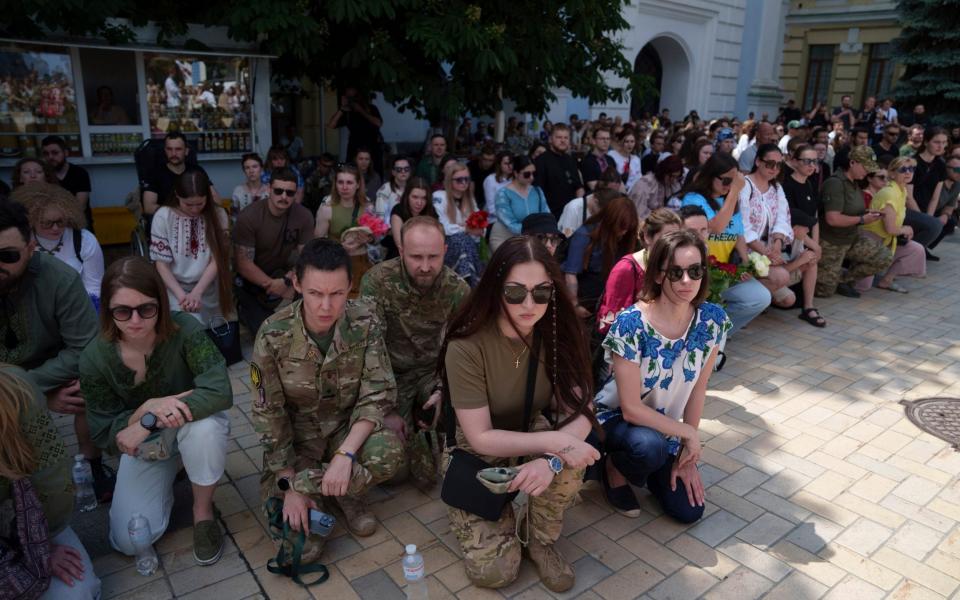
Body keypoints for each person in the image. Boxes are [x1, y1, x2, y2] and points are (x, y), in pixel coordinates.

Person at [439, 236, 600, 592]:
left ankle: (538, 537)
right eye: (516, 292)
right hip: (478, 447)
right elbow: (480, 435)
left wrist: (550, 460)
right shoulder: (466, 345)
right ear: (496, 288)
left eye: (541, 292)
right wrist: (556, 442)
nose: (530, 304)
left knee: (572, 460)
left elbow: (583, 409)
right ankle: (502, 523)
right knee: (495, 573)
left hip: (529, 427)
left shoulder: (556, 332)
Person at [252, 239, 403, 554]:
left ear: (350, 285)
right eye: (315, 293)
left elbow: (377, 392)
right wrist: (289, 484)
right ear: (296, 283)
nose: (325, 306)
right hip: (298, 445)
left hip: (345, 433)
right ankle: (321, 492)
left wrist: (345, 455)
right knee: (302, 549)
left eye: (337, 294)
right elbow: (269, 414)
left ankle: (343, 492)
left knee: (387, 452)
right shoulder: (272, 334)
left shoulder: (365, 320)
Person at [81, 256, 232, 563]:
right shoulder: (94, 359)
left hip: (188, 425)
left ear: (161, 304)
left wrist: (147, 420)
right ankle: (176, 467)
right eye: (123, 311)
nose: (135, 321)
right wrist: (146, 409)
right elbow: (103, 434)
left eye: (146, 309)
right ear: (108, 311)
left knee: (205, 429)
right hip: (146, 447)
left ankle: (202, 512)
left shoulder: (186, 328)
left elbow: (219, 391)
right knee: (130, 540)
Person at [598, 230, 729, 520]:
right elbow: (630, 408)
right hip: (617, 419)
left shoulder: (713, 320)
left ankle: (655, 466)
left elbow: (698, 388)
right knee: (647, 447)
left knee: (689, 511)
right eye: (676, 272)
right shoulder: (631, 323)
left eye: (695, 271)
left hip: (664, 429)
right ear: (658, 275)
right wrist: (688, 433)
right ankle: (612, 468)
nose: (686, 281)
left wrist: (687, 452)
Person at [0, 201, 111, 499]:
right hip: (5, 383)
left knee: (92, 380)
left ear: (32, 246)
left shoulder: (60, 278)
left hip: (53, 365)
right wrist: (34, 395)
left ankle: (92, 463)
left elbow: (85, 345)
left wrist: (35, 387)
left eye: (7, 256)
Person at [359, 217, 469, 485]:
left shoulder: (458, 290)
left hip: (432, 374)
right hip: (391, 376)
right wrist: (386, 408)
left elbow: (465, 349)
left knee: (468, 420)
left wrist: (443, 388)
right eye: (416, 257)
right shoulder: (377, 282)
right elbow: (369, 348)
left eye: (433, 257)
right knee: (392, 471)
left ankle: (437, 430)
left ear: (444, 250)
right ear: (401, 252)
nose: (425, 267)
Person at [0, 366, 102, 600]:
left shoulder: (16, 387)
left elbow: (52, 481)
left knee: (76, 593)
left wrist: (38, 549)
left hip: (26, 526)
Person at [680, 153, 771, 337]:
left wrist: (746, 264)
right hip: (698, 271)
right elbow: (716, 227)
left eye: (734, 181)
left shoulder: (731, 201)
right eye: (726, 180)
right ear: (711, 175)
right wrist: (735, 192)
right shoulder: (694, 198)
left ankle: (716, 334)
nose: (729, 186)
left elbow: (738, 234)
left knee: (760, 297)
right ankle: (699, 335)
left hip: (725, 271)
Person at [234, 168, 315, 335]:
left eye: (290, 193)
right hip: (253, 281)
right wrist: (273, 286)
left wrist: (287, 281)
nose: (284, 196)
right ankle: (245, 311)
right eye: (278, 191)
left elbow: (306, 256)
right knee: (265, 333)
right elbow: (243, 263)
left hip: (286, 275)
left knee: (306, 324)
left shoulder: (304, 216)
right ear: (269, 189)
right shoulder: (249, 216)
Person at [151, 170, 235, 331]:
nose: (195, 209)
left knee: (214, 329)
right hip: (173, 287)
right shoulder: (163, 216)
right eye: (189, 204)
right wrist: (182, 296)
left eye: (200, 203)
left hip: (208, 285)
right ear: (177, 196)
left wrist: (197, 292)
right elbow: (162, 264)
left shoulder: (218, 214)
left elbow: (217, 259)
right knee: (188, 326)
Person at [10, 183, 104, 310]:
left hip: (76, 307)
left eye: (60, 221)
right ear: (31, 220)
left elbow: (95, 287)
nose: (55, 228)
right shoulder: (22, 241)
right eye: (47, 223)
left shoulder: (85, 240)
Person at [815, 146, 893, 298]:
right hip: (832, 242)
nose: (868, 172)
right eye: (865, 167)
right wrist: (862, 219)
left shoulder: (855, 182)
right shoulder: (835, 183)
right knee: (823, 292)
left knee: (884, 257)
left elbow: (849, 210)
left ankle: (842, 279)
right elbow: (833, 219)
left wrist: (867, 214)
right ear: (852, 163)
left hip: (851, 238)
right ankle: (830, 277)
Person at [597, 208, 681, 334]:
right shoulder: (626, 269)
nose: (672, 243)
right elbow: (609, 321)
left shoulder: (676, 267)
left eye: (676, 238)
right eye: (667, 237)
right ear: (647, 236)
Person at [562, 195, 638, 323]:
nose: (623, 232)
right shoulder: (584, 235)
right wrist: (575, 305)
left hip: (611, 303)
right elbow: (570, 274)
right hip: (585, 299)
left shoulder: (627, 238)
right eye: (621, 227)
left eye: (627, 229)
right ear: (610, 222)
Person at [858, 157, 926, 293]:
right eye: (903, 170)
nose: (908, 172)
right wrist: (906, 229)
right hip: (870, 240)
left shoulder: (902, 190)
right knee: (861, 287)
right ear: (892, 174)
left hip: (886, 240)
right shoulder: (889, 192)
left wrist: (904, 230)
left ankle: (886, 280)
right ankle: (838, 272)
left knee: (916, 249)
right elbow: (891, 229)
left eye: (911, 169)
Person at [740, 144, 793, 306]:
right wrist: (766, 253)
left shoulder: (776, 188)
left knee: (789, 300)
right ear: (758, 162)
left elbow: (783, 218)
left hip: (767, 253)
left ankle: (755, 300)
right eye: (770, 164)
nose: (774, 168)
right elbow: (743, 225)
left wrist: (777, 245)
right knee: (782, 277)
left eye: (779, 165)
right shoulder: (744, 185)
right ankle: (747, 302)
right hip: (746, 251)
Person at [781, 144, 826, 326]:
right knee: (809, 256)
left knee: (812, 258)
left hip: (803, 241)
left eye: (814, 161)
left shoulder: (810, 183)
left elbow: (814, 218)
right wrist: (814, 246)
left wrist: (816, 245)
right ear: (793, 161)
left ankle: (808, 306)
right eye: (807, 161)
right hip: (787, 242)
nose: (811, 165)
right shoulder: (786, 186)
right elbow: (794, 225)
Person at [141, 132, 218, 219]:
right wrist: (181, 211)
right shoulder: (154, 173)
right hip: (168, 220)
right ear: (165, 150)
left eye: (178, 149)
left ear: (186, 151)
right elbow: (148, 207)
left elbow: (216, 200)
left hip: (197, 216)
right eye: (169, 149)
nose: (173, 154)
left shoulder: (197, 170)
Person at [433, 161, 484, 285]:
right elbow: (442, 227)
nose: (464, 183)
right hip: (446, 247)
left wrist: (477, 230)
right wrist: (466, 229)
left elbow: (480, 226)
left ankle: (468, 283)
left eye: (466, 179)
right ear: (450, 180)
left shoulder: (470, 200)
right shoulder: (440, 196)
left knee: (464, 242)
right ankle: (469, 283)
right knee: (461, 239)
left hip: (470, 246)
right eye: (459, 180)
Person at [490, 155, 550, 251]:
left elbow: (546, 215)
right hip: (506, 239)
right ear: (515, 173)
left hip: (532, 240)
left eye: (534, 173)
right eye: (527, 174)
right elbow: (510, 223)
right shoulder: (503, 194)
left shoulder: (537, 191)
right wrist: (535, 231)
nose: (531, 177)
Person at [908, 126, 949, 257]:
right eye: (937, 142)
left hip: (927, 208)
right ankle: (908, 254)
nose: (941, 146)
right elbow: (908, 197)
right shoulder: (912, 162)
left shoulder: (941, 165)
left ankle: (918, 250)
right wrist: (923, 218)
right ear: (926, 142)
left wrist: (928, 218)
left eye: (944, 142)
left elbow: (935, 197)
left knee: (942, 222)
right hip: (908, 208)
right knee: (932, 225)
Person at [328, 87, 384, 176]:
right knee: (351, 173)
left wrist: (361, 111)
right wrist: (342, 109)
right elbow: (331, 125)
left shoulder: (371, 108)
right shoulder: (347, 112)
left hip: (372, 148)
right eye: (349, 97)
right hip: (354, 148)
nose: (352, 100)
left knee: (375, 175)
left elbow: (378, 123)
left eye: (353, 97)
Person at [41, 135, 93, 231]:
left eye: (55, 153)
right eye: (46, 154)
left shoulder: (79, 173)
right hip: (51, 224)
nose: (50, 157)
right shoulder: (42, 175)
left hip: (78, 223)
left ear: (66, 153)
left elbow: (80, 206)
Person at [534, 124, 585, 218]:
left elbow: (579, 187)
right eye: (559, 137)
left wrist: (578, 207)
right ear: (550, 139)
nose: (563, 140)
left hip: (572, 215)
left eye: (566, 138)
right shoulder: (541, 161)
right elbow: (538, 192)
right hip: (550, 216)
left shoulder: (570, 160)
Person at [557, 171, 621, 237]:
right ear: (596, 201)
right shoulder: (574, 208)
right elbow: (566, 237)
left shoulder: (603, 206)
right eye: (602, 212)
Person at [387, 177, 438, 260]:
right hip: (400, 256)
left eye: (424, 198)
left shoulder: (431, 211)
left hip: (427, 255)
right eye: (415, 197)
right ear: (407, 196)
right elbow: (400, 243)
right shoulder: (398, 210)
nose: (419, 202)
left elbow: (436, 238)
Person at [315, 164, 368, 241]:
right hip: (334, 252)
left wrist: (370, 239)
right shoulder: (326, 210)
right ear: (335, 184)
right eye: (340, 182)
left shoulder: (368, 208)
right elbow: (318, 242)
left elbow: (376, 239)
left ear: (358, 185)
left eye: (349, 183)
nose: (344, 187)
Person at [629, 155, 683, 220]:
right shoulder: (646, 183)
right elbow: (637, 211)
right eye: (671, 176)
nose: (673, 180)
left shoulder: (673, 185)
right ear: (664, 171)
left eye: (676, 177)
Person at [231, 153, 270, 222]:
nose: (251, 171)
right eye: (247, 168)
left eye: (255, 166)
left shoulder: (269, 190)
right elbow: (234, 217)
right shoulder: (238, 191)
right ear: (244, 171)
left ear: (261, 169)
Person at [374, 155, 412, 220]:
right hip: (390, 228)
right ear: (393, 172)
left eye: (406, 169)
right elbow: (380, 215)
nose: (403, 171)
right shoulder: (385, 189)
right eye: (399, 169)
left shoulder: (413, 187)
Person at [580, 126, 616, 190]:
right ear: (594, 141)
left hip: (614, 195)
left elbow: (618, 182)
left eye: (608, 139)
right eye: (602, 138)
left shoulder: (610, 160)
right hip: (596, 197)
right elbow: (594, 187)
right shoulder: (587, 161)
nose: (606, 141)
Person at [482, 151, 514, 221]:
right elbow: (491, 208)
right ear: (499, 165)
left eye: (511, 163)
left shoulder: (515, 179)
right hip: (494, 220)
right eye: (506, 163)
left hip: (512, 220)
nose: (510, 166)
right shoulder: (490, 180)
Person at [468, 145, 497, 214]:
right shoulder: (471, 166)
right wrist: (474, 207)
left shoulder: (495, 168)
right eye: (485, 159)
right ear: (480, 157)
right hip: (473, 198)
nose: (487, 163)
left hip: (489, 200)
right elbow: (471, 189)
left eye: (490, 160)